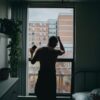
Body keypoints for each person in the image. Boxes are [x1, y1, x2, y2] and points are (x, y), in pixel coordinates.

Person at [29, 36, 65, 100]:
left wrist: (31, 53)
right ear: (56, 44)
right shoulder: (56, 52)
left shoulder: (40, 50)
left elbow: (32, 62)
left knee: (41, 95)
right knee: (50, 96)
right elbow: (63, 51)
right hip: (51, 76)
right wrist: (59, 40)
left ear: (48, 42)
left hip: (42, 75)